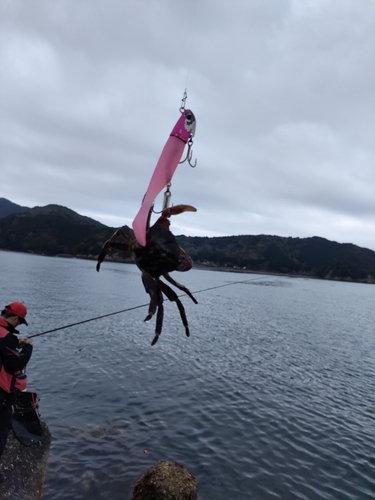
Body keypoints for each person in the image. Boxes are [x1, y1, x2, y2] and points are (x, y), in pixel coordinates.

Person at [0, 302, 33, 483]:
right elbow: (16, 363)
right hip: (1, 393)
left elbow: (5, 349)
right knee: (2, 430)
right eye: (19, 323)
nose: (18, 325)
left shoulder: (5, 336)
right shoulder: (7, 338)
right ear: (14, 318)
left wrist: (15, 344)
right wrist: (27, 348)